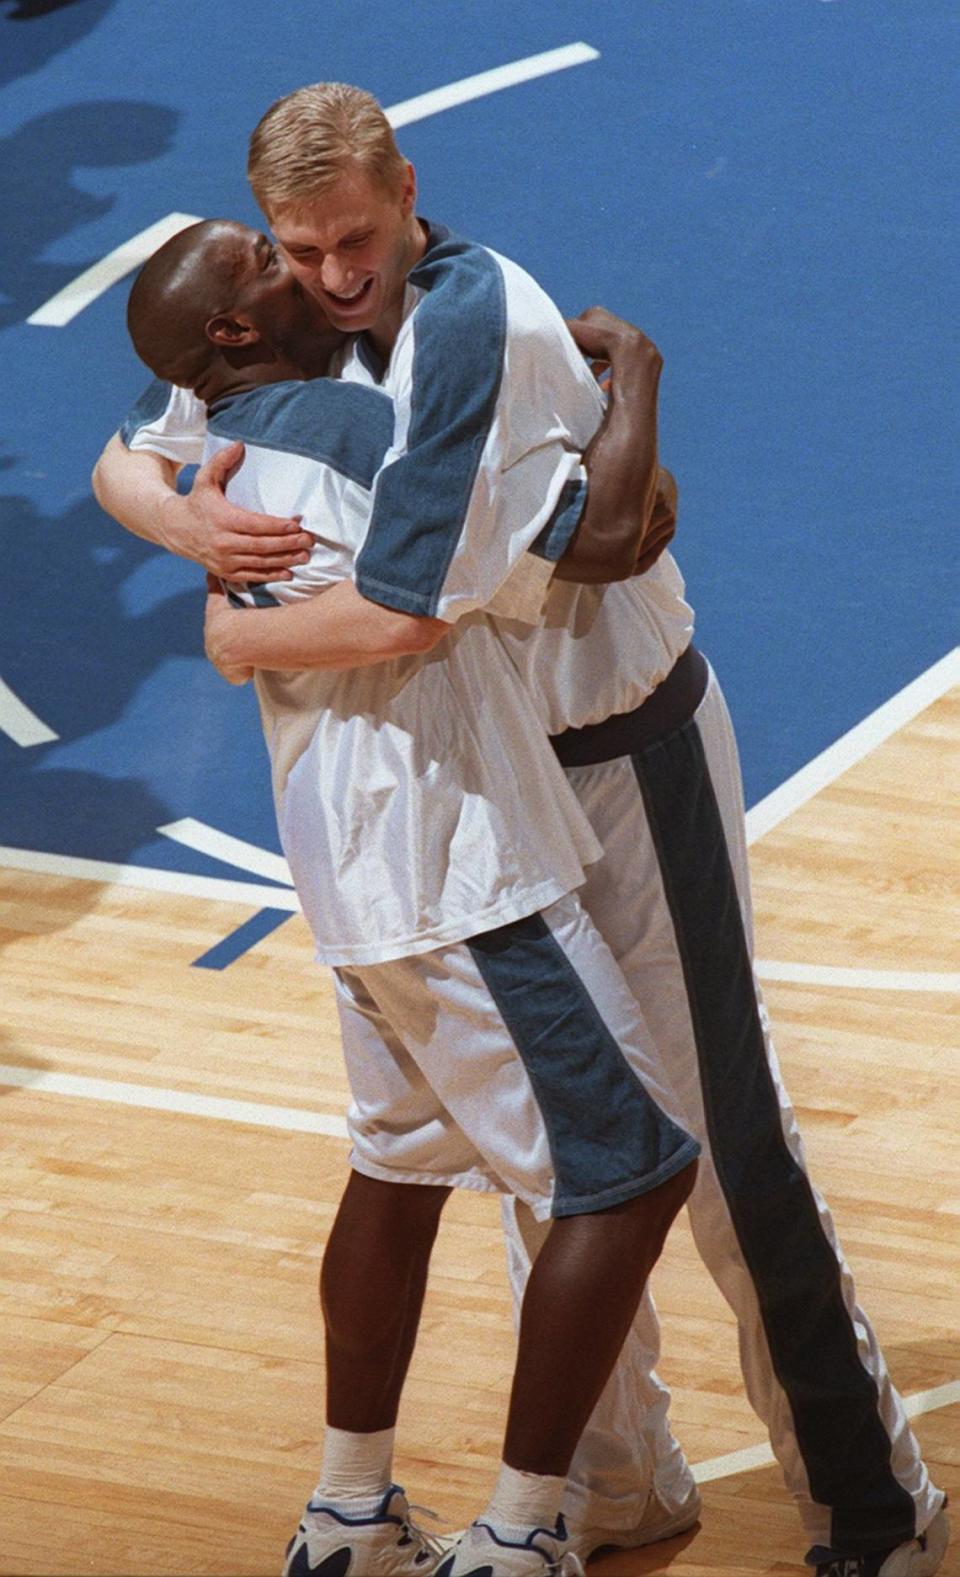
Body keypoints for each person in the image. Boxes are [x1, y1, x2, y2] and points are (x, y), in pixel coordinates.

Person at [93, 86, 949, 1577]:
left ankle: (862, 1496)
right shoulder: (280, 324)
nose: (335, 271)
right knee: (542, 1163)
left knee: (721, 1135)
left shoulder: (482, 326)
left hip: (624, 755)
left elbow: (618, 533)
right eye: (302, 249)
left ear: (403, 194)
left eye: (354, 238)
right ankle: (611, 1488)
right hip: (477, 787)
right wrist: (189, 530)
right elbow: (132, 448)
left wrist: (241, 643)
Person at [124, 218, 700, 1577]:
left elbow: (126, 460)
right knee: (629, 1177)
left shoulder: (213, 449)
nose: (313, 269)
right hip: (458, 860)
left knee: (396, 1167)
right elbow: (610, 531)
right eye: (266, 261)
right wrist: (632, 387)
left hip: (344, 861)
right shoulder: (344, 426)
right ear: (231, 329)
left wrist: (222, 622)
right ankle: (516, 1532)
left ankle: (347, 1514)